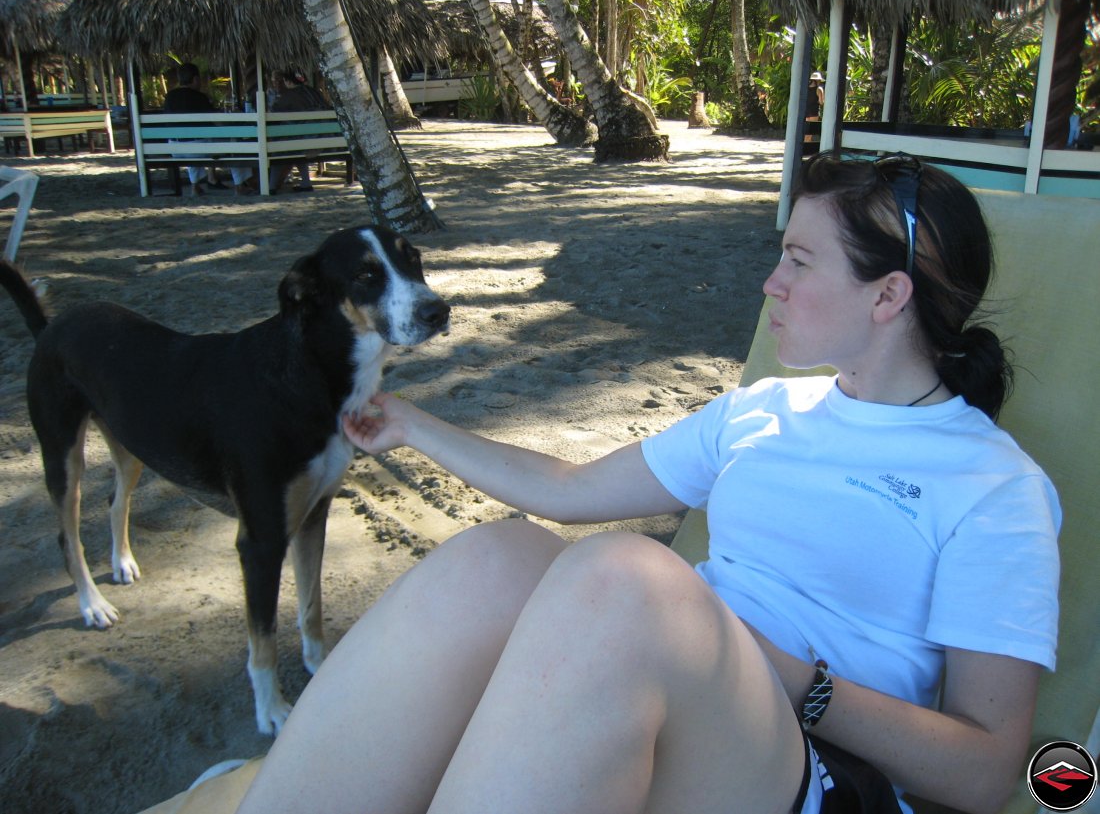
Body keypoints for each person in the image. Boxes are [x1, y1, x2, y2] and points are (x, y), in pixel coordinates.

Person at [236, 152, 1060, 814]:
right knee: (500, 558)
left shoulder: (992, 486)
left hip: (815, 771)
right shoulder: (762, 410)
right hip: (675, 689)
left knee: (623, 578)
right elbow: (565, 486)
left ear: (888, 295)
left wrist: (795, 682)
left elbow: (988, 771)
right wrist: (413, 423)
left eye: (798, 261)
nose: (770, 283)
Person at [161, 62, 256, 196]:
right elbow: (216, 122)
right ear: (195, 79)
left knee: (192, 143)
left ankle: (195, 186)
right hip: (195, 148)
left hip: (174, 148)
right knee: (235, 143)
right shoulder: (199, 97)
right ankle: (240, 185)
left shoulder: (169, 97)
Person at [268, 68, 329, 193]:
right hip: (325, 139)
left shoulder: (289, 95)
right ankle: (306, 183)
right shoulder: (314, 92)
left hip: (307, 141)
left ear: (286, 81)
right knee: (295, 144)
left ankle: (272, 186)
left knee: (277, 146)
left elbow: (273, 113)